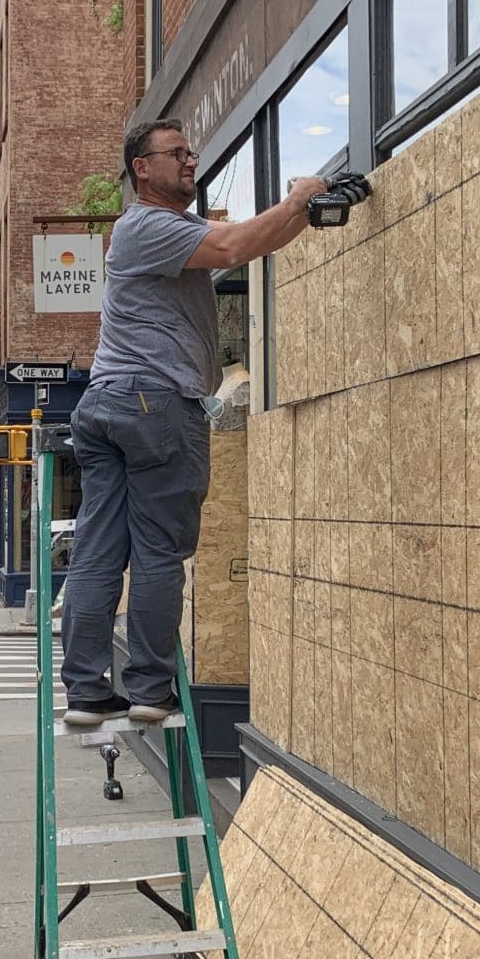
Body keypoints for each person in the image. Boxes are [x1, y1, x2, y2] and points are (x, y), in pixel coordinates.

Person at [61, 120, 327, 727]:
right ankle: (152, 689)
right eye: (174, 153)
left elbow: (246, 240)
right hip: (154, 405)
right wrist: (295, 199)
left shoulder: (171, 227)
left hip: (108, 405)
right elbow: (234, 248)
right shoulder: (145, 225)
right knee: (158, 552)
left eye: (191, 152)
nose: (189, 161)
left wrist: (307, 209)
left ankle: (85, 691)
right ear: (141, 169)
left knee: (101, 549)